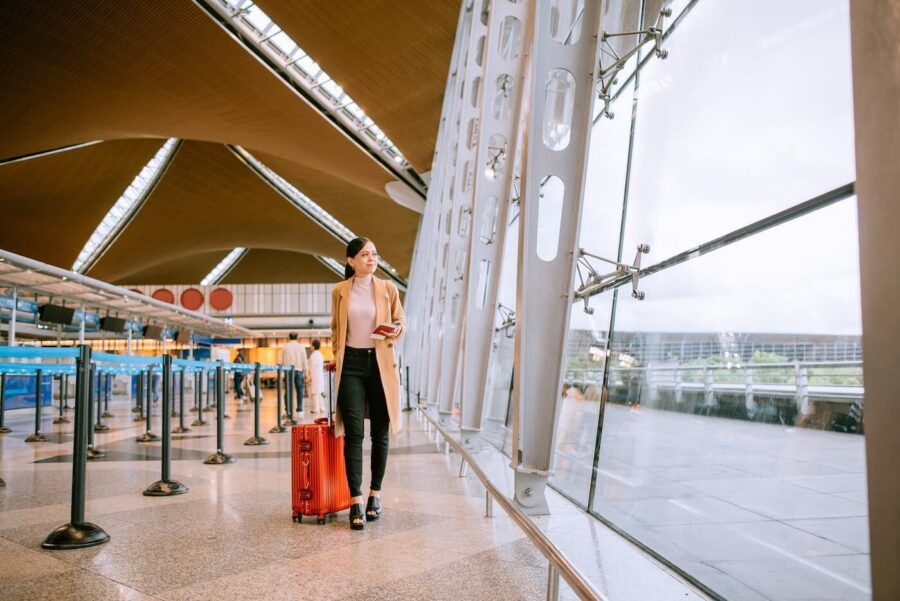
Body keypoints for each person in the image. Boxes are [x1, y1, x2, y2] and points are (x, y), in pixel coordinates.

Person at [331, 237, 405, 530]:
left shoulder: (388, 288)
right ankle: (355, 498)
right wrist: (336, 355)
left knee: (381, 431)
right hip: (350, 364)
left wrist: (396, 329)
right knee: (354, 433)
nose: (371, 259)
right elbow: (336, 329)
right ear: (351, 261)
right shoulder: (340, 291)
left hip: (381, 363)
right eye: (364, 255)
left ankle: (375, 493)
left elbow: (401, 321)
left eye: (374, 254)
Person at [280, 332, 308, 418]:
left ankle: (288, 411)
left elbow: (281, 360)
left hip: (288, 371)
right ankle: (300, 410)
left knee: (288, 391)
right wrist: (306, 372)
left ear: (289, 337)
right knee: (299, 391)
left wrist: (281, 374)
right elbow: (304, 361)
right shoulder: (301, 347)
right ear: (297, 337)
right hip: (299, 371)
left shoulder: (285, 347)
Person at [307, 339, 325, 414]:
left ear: (314, 346)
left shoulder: (313, 355)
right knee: (319, 393)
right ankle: (322, 408)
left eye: (311, 345)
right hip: (320, 375)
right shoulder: (320, 354)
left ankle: (316, 409)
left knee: (314, 393)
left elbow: (311, 368)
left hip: (315, 376)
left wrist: (308, 378)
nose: (310, 346)